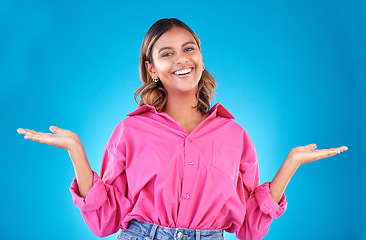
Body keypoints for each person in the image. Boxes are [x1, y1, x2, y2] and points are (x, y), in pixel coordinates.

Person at [17, 18, 347, 240]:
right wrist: (76, 150)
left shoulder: (235, 136)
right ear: (152, 68)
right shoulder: (130, 131)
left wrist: (290, 165)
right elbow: (104, 221)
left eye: (189, 48)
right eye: (167, 53)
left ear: (201, 56)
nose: (182, 59)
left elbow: (248, 227)